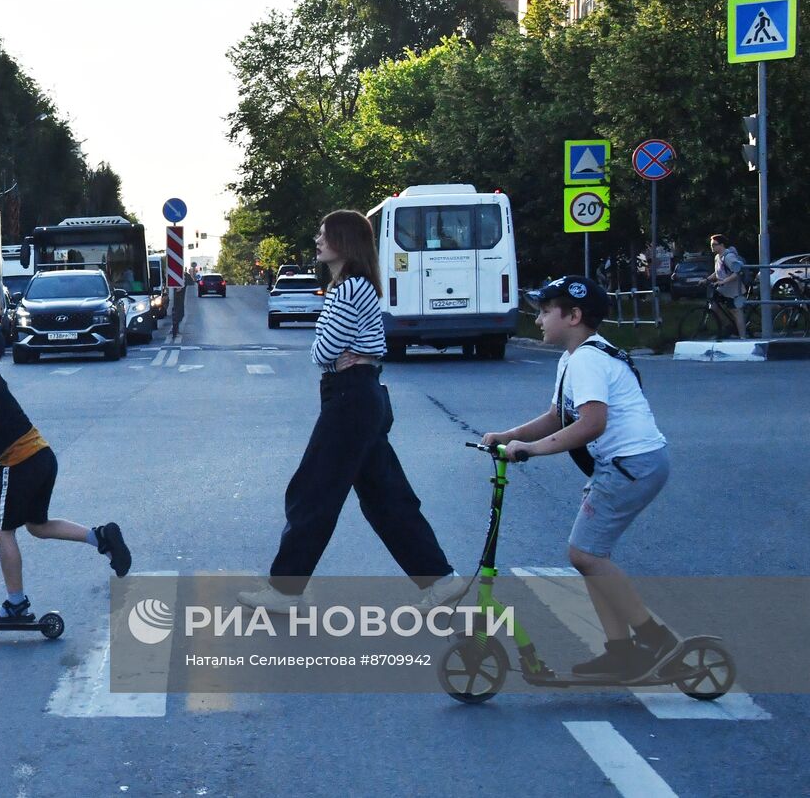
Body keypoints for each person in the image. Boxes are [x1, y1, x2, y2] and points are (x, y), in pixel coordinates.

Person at [239, 210, 463, 613]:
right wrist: (341, 352)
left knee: (312, 492)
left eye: (324, 234)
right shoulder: (357, 287)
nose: (317, 240)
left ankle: (285, 591)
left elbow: (322, 351)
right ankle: (439, 580)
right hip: (362, 396)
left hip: (349, 400)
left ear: (344, 240)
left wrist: (336, 352)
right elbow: (338, 349)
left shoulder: (347, 290)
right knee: (386, 497)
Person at [481, 276, 678, 680]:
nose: (537, 320)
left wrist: (532, 450)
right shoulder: (573, 358)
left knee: (585, 554)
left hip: (633, 464)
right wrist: (510, 436)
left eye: (544, 311)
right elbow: (557, 417)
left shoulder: (588, 360)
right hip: (625, 464)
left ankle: (655, 639)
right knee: (590, 554)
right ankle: (621, 651)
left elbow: (591, 424)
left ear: (573, 316)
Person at [0, 322, 132, 622]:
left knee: (3, 531)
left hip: (19, 463)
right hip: (41, 457)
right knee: (37, 525)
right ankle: (100, 537)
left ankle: (15, 603)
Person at [707, 234, 748, 339]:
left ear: (722, 245)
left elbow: (737, 272)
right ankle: (729, 327)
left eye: (714, 245)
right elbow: (718, 272)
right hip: (723, 289)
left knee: (736, 312)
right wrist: (706, 280)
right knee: (713, 307)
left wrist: (723, 281)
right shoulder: (717, 257)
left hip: (734, 290)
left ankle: (743, 337)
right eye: (711, 245)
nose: (712, 247)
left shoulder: (729, 257)